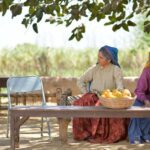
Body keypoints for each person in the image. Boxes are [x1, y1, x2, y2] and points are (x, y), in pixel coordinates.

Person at [73, 45, 129, 143]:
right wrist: (87, 92)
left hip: (109, 98)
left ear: (109, 60)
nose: (98, 59)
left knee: (101, 104)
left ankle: (99, 134)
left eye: (101, 57)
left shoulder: (115, 69)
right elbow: (80, 81)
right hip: (94, 95)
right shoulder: (94, 69)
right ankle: (85, 133)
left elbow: (120, 86)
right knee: (80, 103)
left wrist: (115, 96)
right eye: (98, 56)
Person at [128, 52, 150, 144]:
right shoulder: (147, 71)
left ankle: (146, 134)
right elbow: (139, 91)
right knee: (137, 106)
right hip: (146, 98)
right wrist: (146, 100)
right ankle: (136, 135)